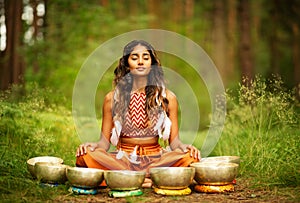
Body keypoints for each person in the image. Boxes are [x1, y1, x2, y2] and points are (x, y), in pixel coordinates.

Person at [76, 40, 200, 187]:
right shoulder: (112, 98)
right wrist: (93, 146)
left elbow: (174, 142)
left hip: (156, 160)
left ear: (152, 64)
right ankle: (151, 180)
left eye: (146, 58)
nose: (140, 62)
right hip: (123, 159)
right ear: (127, 64)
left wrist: (185, 147)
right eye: (134, 58)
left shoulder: (167, 97)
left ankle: (127, 179)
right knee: (85, 155)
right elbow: (104, 143)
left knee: (190, 157)